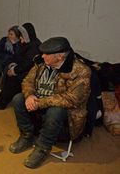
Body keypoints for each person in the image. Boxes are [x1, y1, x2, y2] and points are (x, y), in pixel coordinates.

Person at [9, 37, 91, 169]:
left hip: (65, 115)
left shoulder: (81, 71)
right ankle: (27, 135)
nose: (42, 56)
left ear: (59, 56)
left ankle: (42, 147)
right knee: (18, 99)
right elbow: (27, 81)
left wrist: (40, 102)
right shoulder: (40, 63)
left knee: (55, 110)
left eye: (47, 54)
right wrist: (29, 95)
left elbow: (72, 99)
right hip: (39, 105)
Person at [0, 23, 41, 110]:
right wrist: (13, 66)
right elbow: (16, 56)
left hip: (31, 73)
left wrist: (14, 70)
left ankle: (0, 104)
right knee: (5, 71)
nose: (20, 38)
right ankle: (2, 99)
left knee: (12, 79)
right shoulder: (24, 43)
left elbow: (27, 64)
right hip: (20, 68)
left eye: (21, 36)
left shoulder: (34, 46)